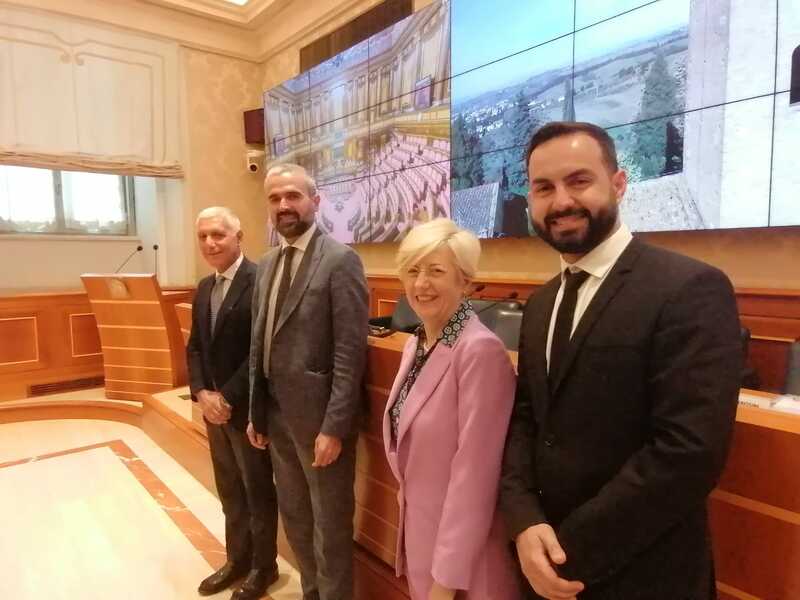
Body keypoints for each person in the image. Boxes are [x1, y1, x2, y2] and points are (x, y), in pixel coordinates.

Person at [500, 121, 742, 600]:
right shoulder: (541, 304)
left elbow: (688, 452)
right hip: (541, 563)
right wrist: (523, 522)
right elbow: (526, 418)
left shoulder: (689, 288)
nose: (561, 201)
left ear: (618, 183)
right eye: (544, 188)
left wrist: (567, 551)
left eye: (579, 181)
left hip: (643, 572)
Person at [247, 163, 369, 600]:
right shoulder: (266, 263)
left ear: (315, 202)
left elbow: (350, 352)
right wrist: (256, 410)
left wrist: (334, 427)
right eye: (275, 198)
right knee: (295, 515)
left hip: (319, 423)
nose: (284, 205)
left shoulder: (340, 260)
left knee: (329, 525)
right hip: (275, 414)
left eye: (293, 196)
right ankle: (312, 592)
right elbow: (259, 341)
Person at [383, 218, 520, 600]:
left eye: (436, 271)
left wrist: (444, 582)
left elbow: (475, 477)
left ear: (466, 281)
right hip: (422, 537)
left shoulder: (480, 351)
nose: (421, 284)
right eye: (413, 270)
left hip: (463, 565)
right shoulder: (417, 343)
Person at [187, 206, 280, 600]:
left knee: (257, 491)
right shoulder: (204, 287)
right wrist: (201, 393)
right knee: (230, 491)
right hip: (214, 412)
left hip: (246, 410)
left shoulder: (259, 282)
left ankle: (264, 567)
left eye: (218, 235)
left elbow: (261, 351)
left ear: (238, 237)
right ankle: (236, 560)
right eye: (203, 236)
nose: (210, 243)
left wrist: (226, 397)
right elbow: (195, 347)